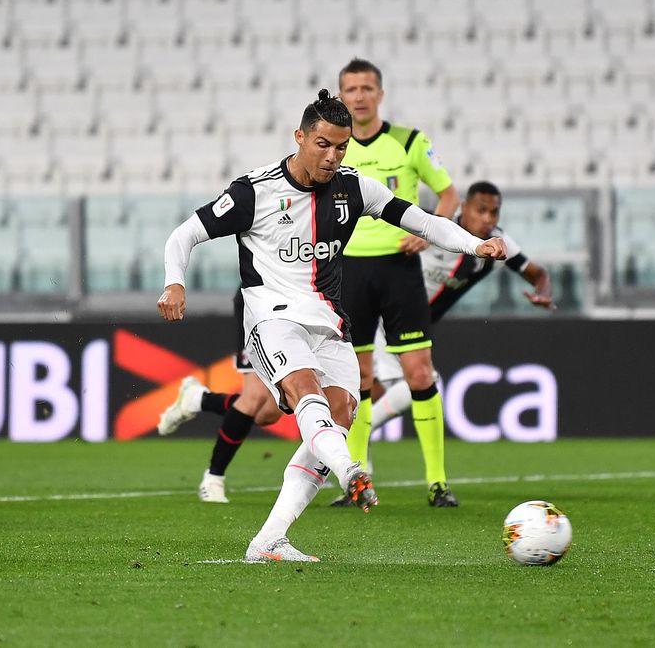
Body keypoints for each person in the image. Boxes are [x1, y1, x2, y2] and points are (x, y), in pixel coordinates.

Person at [157, 90, 506, 562]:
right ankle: (351, 472)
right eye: (322, 144)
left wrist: (473, 245)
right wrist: (174, 283)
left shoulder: (353, 187)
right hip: (272, 316)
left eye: (341, 147)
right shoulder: (254, 192)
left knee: (340, 415)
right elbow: (186, 234)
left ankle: (270, 540)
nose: (332, 156)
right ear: (300, 137)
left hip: (329, 322)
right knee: (307, 395)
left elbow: (421, 221)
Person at [335, 57, 461, 508]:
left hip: (399, 270)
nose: (359, 96)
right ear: (341, 96)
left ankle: (438, 482)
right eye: (351, 89)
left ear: (380, 94)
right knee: (358, 378)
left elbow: (448, 195)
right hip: (348, 271)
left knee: (419, 372)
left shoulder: (409, 142)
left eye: (367, 88)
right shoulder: (334, 145)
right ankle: (358, 480)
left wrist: (425, 230)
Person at [369, 180, 555, 433]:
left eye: (494, 212)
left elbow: (538, 274)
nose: (488, 219)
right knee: (418, 383)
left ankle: (354, 451)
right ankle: (354, 442)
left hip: (413, 326)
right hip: (384, 314)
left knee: (375, 393)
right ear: (464, 208)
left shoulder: (499, 244)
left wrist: (542, 293)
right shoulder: (432, 225)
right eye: (481, 210)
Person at [157, 290, 282, 504]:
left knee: (267, 413)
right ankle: (213, 479)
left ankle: (198, 399)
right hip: (260, 302)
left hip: (301, 307)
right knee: (255, 397)